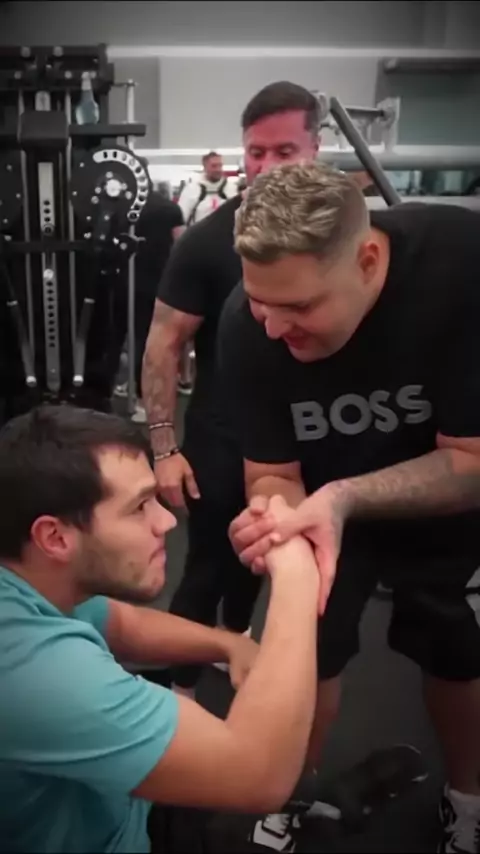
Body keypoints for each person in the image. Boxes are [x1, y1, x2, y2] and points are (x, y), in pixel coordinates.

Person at [218, 162, 480, 854]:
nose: (274, 327)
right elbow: (272, 474)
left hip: (445, 490)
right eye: (261, 302)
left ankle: (468, 803)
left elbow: (473, 461)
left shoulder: (460, 269)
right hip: (318, 503)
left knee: (454, 647)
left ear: (366, 261)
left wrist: (343, 497)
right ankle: (287, 794)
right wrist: (275, 519)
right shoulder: (248, 324)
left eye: (300, 307)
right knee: (305, 642)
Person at [0, 404, 321, 853]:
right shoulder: (32, 669)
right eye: (139, 507)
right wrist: (298, 569)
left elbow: (121, 623)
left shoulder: (32, 580)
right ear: (55, 538)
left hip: (126, 805)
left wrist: (228, 645)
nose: (167, 521)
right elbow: (259, 775)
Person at [142, 81, 322, 697]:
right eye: (255, 152)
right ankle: (179, 691)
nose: (266, 167)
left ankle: (232, 640)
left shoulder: (335, 235)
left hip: (305, 437)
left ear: (315, 149)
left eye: (284, 152)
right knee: (209, 565)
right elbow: (163, 343)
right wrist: (164, 448)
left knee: (261, 558)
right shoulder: (208, 241)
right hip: (222, 437)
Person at [177, 151, 236, 226]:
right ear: (205, 167)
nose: (218, 169)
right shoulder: (192, 189)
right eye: (214, 166)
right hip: (198, 232)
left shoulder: (231, 188)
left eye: (220, 165)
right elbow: (181, 218)